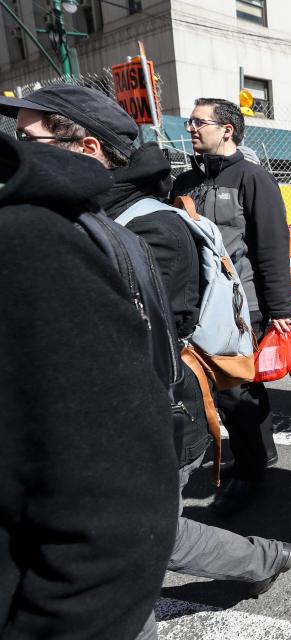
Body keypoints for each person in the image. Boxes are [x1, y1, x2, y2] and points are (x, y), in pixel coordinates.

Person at [2, 85, 291, 628]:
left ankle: (257, 488)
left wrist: (277, 311)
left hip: (172, 395)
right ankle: (262, 554)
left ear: (87, 149)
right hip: (150, 415)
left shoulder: (154, 221)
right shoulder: (165, 191)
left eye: (26, 138)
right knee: (156, 530)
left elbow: (265, 249)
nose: (14, 150)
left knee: (139, 533)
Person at [0, 124, 178, 639]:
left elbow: (115, 520)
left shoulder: (31, 240)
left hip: (156, 402)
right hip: (141, 414)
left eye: (31, 134)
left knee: (160, 532)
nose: (20, 141)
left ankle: (263, 554)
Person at [171, 98, 291, 517]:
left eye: (198, 121)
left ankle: (250, 470)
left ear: (227, 129)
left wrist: (279, 310)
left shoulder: (253, 177)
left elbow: (272, 246)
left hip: (244, 305)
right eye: (190, 121)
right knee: (231, 387)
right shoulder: (184, 181)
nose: (190, 128)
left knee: (236, 390)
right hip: (199, 306)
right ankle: (261, 453)